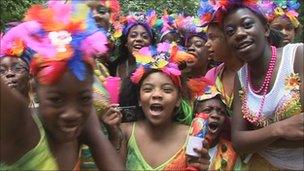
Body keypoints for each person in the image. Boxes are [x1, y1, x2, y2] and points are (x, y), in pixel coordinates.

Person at [0, 1, 124, 170]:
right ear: (34, 90)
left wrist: (96, 135)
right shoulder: (19, 123)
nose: (71, 113)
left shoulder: (84, 123)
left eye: (84, 98)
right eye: (56, 99)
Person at [217, 1, 303, 170]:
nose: (239, 34)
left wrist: (257, 138)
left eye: (247, 25)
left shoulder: (297, 56)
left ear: (265, 29)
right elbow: (239, 142)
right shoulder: (240, 78)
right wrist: (279, 129)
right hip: (263, 164)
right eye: (230, 31)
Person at [101, 42, 210, 170]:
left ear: (178, 100)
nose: (157, 95)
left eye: (167, 90)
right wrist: (114, 136)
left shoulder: (191, 137)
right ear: (139, 99)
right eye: (148, 89)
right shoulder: (125, 132)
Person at [193, 84, 241, 170]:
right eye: (208, 110)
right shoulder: (181, 145)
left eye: (221, 112)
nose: (215, 115)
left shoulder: (232, 152)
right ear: (195, 116)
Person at [204, 21, 243, 111]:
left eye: (212, 38)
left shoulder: (254, 70)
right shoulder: (211, 75)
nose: (207, 44)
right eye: (207, 38)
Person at [112, 11, 156, 78]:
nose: (139, 39)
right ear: (126, 42)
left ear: (150, 43)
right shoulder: (115, 66)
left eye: (145, 37)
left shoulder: (156, 68)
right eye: (133, 35)